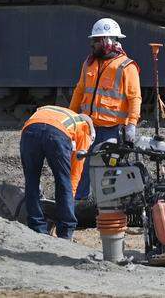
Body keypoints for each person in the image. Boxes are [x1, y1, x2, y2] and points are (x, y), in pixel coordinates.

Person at [70, 17, 141, 199]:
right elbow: (79, 91)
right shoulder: (89, 63)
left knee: (111, 169)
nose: (92, 44)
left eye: (96, 40)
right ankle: (79, 201)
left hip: (113, 130)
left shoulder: (126, 66)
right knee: (81, 165)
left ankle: (113, 203)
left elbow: (134, 98)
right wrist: (70, 116)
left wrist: (131, 125)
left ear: (107, 41)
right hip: (88, 127)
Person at [19, 105, 94, 239]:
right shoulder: (84, 128)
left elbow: (39, 122)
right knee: (64, 182)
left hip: (29, 130)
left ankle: (37, 227)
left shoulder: (57, 111)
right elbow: (74, 175)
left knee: (31, 180)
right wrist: (70, 196)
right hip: (56, 134)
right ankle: (65, 231)